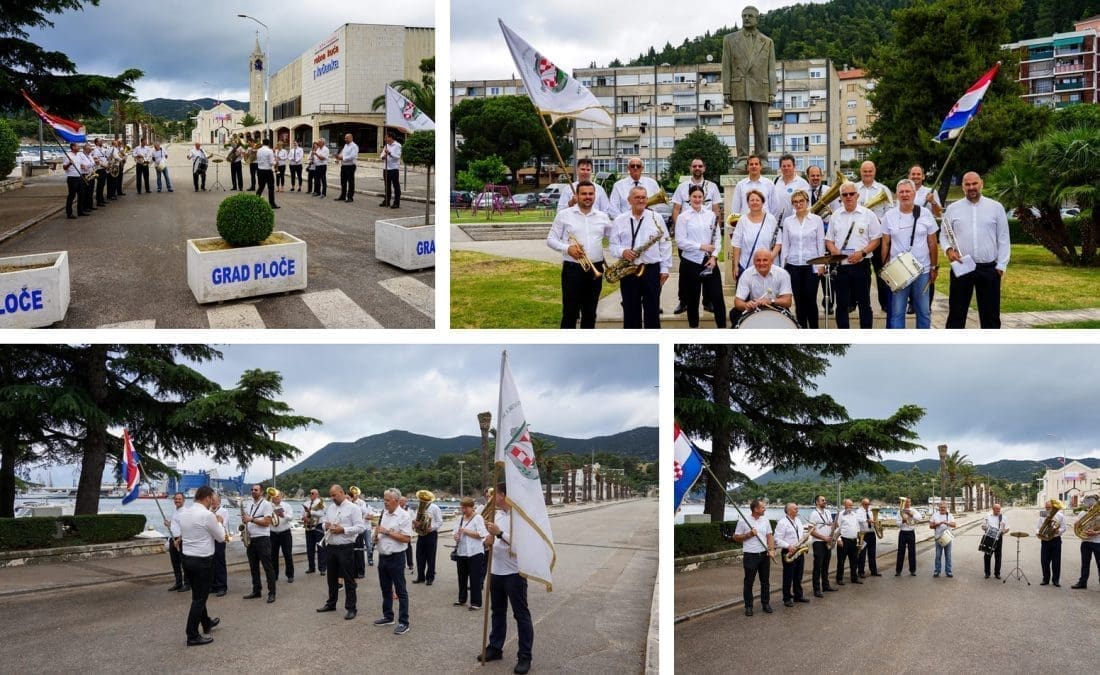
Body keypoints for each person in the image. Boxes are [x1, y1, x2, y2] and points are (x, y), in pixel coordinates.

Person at [941, 171, 1010, 329]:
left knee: (991, 316)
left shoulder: (996, 207)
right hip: (962, 266)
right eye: (967, 184)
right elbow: (944, 235)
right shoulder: (953, 209)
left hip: (989, 269)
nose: (971, 187)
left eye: (974, 184)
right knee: (956, 314)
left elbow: (1004, 238)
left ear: (981, 184)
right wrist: (949, 250)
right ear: (963, 187)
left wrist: (1001, 266)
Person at [482, 483, 534, 673]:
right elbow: (491, 538)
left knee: (521, 615)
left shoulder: (520, 517)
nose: (491, 497)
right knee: (497, 611)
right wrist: (488, 540)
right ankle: (495, 647)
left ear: (503, 495)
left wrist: (500, 533)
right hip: (496, 570)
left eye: (494, 494)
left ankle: (525, 656)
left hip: (514, 573)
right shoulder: (497, 515)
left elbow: (522, 545)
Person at [546, 181, 611, 329]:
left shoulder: (602, 217)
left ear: (595, 195)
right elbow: (550, 239)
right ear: (576, 195)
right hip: (573, 270)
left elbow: (615, 238)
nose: (587, 197)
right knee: (570, 313)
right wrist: (567, 248)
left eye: (590, 194)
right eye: (584, 194)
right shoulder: (564, 215)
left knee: (590, 313)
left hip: (596, 268)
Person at [608, 185, 672, 329]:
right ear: (629, 200)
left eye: (643, 197)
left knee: (653, 311)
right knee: (630, 312)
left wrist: (665, 268)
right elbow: (612, 245)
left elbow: (665, 244)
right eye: (637, 197)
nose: (641, 200)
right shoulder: (619, 220)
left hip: (651, 270)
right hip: (629, 270)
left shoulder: (656, 217)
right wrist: (623, 251)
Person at [721, 5, 776, 168]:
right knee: (740, 126)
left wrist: (772, 91)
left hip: (761, 87)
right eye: (744, 15)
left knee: (762, 126)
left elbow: (771, 68)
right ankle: (742, 158)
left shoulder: (767, 41)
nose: (746, 18)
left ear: (757, 19)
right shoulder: (730, 39)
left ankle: (762, 158)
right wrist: (726, 90)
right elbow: (726, 67)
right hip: (739, 86)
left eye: (750, 16)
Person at [881, 179, 939, 329]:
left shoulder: (925, 214)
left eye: (908, 191)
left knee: (924, 312)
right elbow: (886, 243)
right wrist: (886, 267)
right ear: (897, 195)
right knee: (897, 312)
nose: (905, 194)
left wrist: (934, 267)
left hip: (922, 270)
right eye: (901, 192)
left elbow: (932, 243)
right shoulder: (889, 216)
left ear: (914, 193)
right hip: (898, 271)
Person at [824, 182, 881, 329]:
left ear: (857, 195)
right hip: (841, 266)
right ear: (840, 198)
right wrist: (835, 251)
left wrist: (862, 253)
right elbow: (828, 240)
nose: (848, 197)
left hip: (861, 265)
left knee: (864, 303)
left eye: (851, 194)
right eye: (845, 194)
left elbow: (876, 239)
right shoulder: (835, 216)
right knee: (842, 304)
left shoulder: (868, 215)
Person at [671, 157, 722, 316]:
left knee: (708, 270)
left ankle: (708, 302)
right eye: (694, 166)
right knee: (685, 273)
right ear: (690, 168)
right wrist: (680, 227)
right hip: (688, 235)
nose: (697, 168)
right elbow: (676, 209)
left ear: (704, 168)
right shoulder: (682, 186)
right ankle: (684, 301)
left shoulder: (712, 186)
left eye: (700, 166)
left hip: (707, 236)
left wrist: (714, 235)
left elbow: (716, 210)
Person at [178, 486, 224, 646]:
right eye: (212, 498)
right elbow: (220, 538)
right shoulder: (207, 515)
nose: (213, 501)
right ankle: (192, 634)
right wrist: (220, 523)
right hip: (202, 561)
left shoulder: (185, 513)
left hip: (187, 558)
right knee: (199, 598)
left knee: (198, 594)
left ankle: (206, 622)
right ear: (207, 498)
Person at [675, 184, 726, 328]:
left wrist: (714, 256)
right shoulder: (683, 217)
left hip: (709, 261)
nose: (697, 199)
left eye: (700, 197)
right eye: (694, 197)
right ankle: (694, 329)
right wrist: (700, 246)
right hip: (690, 263)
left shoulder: (710, 215)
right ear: (689, 198)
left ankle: (723, 330)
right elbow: (680, 242)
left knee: (717, 298)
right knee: (693, 300)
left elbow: (717, 238)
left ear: (703, 198)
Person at [317, 484, 366, 620]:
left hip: (346, 547)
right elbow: (323, 523)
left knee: (348, 578)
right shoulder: (331, 507)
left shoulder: (353, 508)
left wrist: (343, 529)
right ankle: (331, 603)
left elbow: (361, 527)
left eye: (335, 495)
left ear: (342, 493)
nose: (332, 498)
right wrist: (325, 525)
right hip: (331, 545)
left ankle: (351, 608)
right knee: (331, 578)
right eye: (331, 495)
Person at [781, 189, 825, 328]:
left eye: (801, 201)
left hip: (812, 265)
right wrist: (783, 268)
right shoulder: (788, 221)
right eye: (795, 202)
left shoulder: (816, 220)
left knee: (811, 300)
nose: (798, 204)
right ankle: (801, 329)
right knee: (799, 301)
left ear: (807, 202)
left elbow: (820, 243)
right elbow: (786, 245)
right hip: (793, 265)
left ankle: (813, 330)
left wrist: (821, 264)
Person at [373, 487, 412, 635]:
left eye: (387, 500)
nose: (385, 502)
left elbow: (407, 538)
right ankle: (388, 616)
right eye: (384, 499)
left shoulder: (404, 516)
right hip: (383, 556)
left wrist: (387, 532)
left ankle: (404, 622)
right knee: (385, 589)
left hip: (396, 557)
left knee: (401, 591)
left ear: (396, 501)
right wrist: (376, 537)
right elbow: (381, 532)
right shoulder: (384, 514)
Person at [856, 161, 893, 313]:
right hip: (859, 237)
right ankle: (856, 302)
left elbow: (890, 212)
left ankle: (884, 302)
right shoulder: (854, 189)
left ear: (875, 171)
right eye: (865, 171)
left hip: (877, 236)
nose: (867, 173)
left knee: (881, 270)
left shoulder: (883, 190)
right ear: (860, 172)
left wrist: (878, 220)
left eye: (870, 171)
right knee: (860, 273)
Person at [729, 188, 780, 288]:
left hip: (768, 266)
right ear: (748, 204)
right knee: (746, 300)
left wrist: (770, 257)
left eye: (757, 200)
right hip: (746, 265)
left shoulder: (771, 219)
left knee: (767, 299)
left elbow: (778, 242)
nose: (755, 202)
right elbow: (736, 245)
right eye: (752, 200)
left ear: (763, 202)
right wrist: (735, 266)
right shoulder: (742, 220)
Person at [733, 498, 775, 616]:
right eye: (762, 507)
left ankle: (766, 604)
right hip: (750, 555)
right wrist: (749, 534)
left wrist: (771, 550)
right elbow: (736, 537)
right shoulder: (743, 520)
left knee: (765, 581)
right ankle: (749, 606)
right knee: (749, 582)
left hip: (764, 554)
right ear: (756, 509)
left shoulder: (765, 520)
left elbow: (770, 536)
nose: (764, 509)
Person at [731, 249, 793, 327]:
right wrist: (745, 305)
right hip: (755, 307)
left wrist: (770, 301)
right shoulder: (746, 274)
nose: (761, 263)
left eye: (765, 260)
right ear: (754, 262)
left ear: (771, 261)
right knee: (733, 313)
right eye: (758, 260)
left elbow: (787, 302)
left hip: (776, 306)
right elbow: (737, 301)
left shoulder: (782, 274)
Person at [241, 483, 277, 602]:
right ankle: (257, 590)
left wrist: (251, 519)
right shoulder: (249, 504)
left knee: (268, 567)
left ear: (261, 492)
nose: (253, 491)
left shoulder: (267, 505)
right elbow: (247, 519)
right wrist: (244, 523)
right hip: (251, 539)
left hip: (262, 539)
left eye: (256, 490)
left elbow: (267, 522)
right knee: (253, 567)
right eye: (252, 489)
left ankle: (272, 593)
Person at [453, 496, 489, 610]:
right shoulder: (460, 519)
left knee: (475, 578)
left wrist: (466, 531)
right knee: (462, 577)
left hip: (475, 552)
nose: (463, 510)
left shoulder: (478, 518)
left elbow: (481, 534)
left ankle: (476, 603)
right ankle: (462, 599)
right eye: (462, 508)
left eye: (465, 508)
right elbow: (454, 532)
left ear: (472, 508)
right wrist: (456, 536)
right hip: (462, 552)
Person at [773, 502, 810, 608]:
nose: (797, 510)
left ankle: (798, 595)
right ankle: (787, 598)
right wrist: (788, 546)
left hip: (799, 550)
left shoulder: (798, 521)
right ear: (789, 511)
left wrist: (804, 538)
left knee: (798, 575)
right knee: (788, 576)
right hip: (788, 551)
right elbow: (776, 539)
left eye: (797, 508)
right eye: (795, 509)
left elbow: (800, 534)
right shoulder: (782, 522)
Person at [808, 495, 837, 597]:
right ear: (817, 502)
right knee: (818, 566)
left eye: (825, 500)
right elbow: (810, 531)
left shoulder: (828, 512)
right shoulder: (814, 514)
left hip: (827, 542)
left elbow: (830, 525)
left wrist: (834, 526)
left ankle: (826, 585)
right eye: (822, 500)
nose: (825, 501)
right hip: (818, 542)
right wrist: (823, 538)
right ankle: (816, 589)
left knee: (826, 565)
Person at [413, 494, 443, 586]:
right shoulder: (419, 507)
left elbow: (440, 521)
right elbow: (415, 519)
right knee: (419, 556)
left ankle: (430, 577)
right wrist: (415, 523)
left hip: (431, 534)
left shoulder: (435, 508)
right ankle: (420, 577)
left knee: (430, 557)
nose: (422, 502)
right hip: (421, 534)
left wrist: (432, 528)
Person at [770, 154, 810, 223]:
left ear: (794, 167)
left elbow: (806, 205)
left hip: (794, 224)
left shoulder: (802, 183)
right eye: (784, 166)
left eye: (789, 166)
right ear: (780, 167)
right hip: (776, 224)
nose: (786, 168)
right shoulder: (776, 181)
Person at [1070, 501, 1100, 589]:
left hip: (1098, 542)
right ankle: (1083, 582)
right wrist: (1076, 525)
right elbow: (1078, 525)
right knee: (1085, 563)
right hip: (1085, 542)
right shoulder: (1083, 513)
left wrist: (1096, 532)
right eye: (1090, 504)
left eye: (1094, 505)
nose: (1091, 507)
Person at [1037, 499, 1066, 586]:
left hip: (1056, 540)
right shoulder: (1043, 514)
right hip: (1045, 540)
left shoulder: (1060, 515)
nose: (1047, 509)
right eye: (1046, 507)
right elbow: (1038, 527)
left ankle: (1055, 580)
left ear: (1053, 507)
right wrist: (1039, 532)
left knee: (1056, 561)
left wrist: (1057, 531)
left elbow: (1064, 528)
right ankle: (1045, 579)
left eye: (1049, 507)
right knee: (1044, 561)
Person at [834, 499, 862, 586]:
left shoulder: (855, 515)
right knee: (841, 561)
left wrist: (859, 539)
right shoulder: (840, 515)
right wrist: (838, 539)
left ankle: (854, 578)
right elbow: (836, 528)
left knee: (854, 561)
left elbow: (857, 527)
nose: (850, 507)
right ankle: (839, 578)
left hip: (853, 541)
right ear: (844, 505)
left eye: (851, 505)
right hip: (844, 540)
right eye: (849, 505)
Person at [268, 491, 294, 584]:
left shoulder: (286, 506)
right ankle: (274, 575)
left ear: (281, 497)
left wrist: (284, 515)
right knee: (273, 555)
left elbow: (291, 517)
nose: (276, 498)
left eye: (277, 496)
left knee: (287, 554)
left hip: (285, 533)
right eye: (274, 496)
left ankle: (290, 575)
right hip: (273, 533)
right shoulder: (269, 506)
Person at [165, 492, 188, 592]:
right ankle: (178, 583)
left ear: (183, 500)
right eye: (175, 499)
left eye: (179, 499)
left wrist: (179, 540)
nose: (177, 501)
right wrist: (168, 524)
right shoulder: (175, 511)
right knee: (175, 563)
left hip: (181, 540)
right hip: (172, 539)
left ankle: (187, 584)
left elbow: (186, 528)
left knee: (185, 563)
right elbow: (175, 526)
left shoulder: (185, 512)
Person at [348, 486, 373, 576]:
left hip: (360, 529)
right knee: (353, 551)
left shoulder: (362, 502)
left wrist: (354, 505)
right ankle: (354, 570)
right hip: (352, 530)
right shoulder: (349, 503)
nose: (354, 495)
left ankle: (361, 570)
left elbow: (364, 511)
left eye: (355, 494)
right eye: (352, 494)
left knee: (360, 550)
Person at [61, 142, 89, 219]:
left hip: (79, 176)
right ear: (73, 147)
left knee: (81, 194)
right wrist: (69, 164)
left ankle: (80, 211)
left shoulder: (78, 155)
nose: (79, 147)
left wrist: (83, 166)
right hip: (72, 178)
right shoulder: (68, 155)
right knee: (72, 195)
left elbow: (79, 164)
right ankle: (69, 213)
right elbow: (64, 167)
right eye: (77, 146)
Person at [982, 503, 1009, 580]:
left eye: (999, 509)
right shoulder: (988, 516)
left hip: (998, 537)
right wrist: (986, 529)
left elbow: (1007, 528)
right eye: (997, 509)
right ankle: (987, 573)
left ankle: (997, 573)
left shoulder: (1003, 517)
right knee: (987, 555)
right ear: (993, 509)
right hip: (989, 536)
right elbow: (983, 526)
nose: (999, 511)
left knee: (998, 556)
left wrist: (1002, 532)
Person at [304, 488, 328, 575]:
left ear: (317, 494)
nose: (311, 494)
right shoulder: (306, 503)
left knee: (321, 548)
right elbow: (302, 514)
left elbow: (322, 513)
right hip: (309, 527)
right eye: (310, 493)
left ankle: (322, 568)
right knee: (309, 548)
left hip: (318, 527)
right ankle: (311, 567)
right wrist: (303, 517)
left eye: (313, 493)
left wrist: (311, 511)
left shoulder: (321, 503)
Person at [930, 501, 957, 578]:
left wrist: (947, 523)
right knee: (938, 556)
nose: (942, 509)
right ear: (939, 507)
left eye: (944, 507)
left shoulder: (950, 515)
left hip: (947, 538)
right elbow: (931, 526)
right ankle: (937, 571)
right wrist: (937, 524)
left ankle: (948, 571)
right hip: (938, 538)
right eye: (941, 507)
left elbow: (954, 525)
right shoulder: (935, 515)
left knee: (948, 556)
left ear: (946, 508)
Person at [856, 498, 881, 578]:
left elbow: (875, 519)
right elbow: (858, 520)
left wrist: (877, 523)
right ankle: (861, 572)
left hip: (871, 533)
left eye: (868, 504)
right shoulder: (858, 511)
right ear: (862, 504)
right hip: (863, 534)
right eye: (866, 504)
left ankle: (874, 571)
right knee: (862, 554)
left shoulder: (871, 510)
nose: (867, 506)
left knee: (872, 553)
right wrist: (867, 520)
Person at [211, 493, 229, 597]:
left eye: (214, 500)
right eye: (211, 500)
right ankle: (213, 586)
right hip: (210, 540)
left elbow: (224, 524)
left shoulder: (224, 511)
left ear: (219, 501)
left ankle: (222, 586)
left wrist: (219, 521)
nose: (212, 502)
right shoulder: (208, 511)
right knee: (211, 563)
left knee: (220, 563)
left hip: (219, 540)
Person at [895, 497, 918, 577]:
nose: (908, 503)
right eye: (906, 502)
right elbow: (897, 524)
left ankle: (912, 570)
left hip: (911, 532)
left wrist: (911, 515)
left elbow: (919, 518)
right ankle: (898, 571)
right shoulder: (900, 511)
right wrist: (902, 521)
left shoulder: (913, 510)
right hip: (902, 533)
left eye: (909, 502)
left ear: (910, 503)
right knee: (900, 552)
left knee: (912, 552)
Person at [380, 131, 402, 208]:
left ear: (390, 137)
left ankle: (396, 202)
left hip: (393, 168)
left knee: (396, 186)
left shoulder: (397, 145)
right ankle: (386, 201)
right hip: (386, 168)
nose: (385, 139)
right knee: (387, 186)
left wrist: (389, 153)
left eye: (386, 137)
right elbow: (381, 155)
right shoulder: (386, 146)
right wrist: (383, 156)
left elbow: (397, 157)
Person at [255, 139, 278, 209]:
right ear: (269, 143)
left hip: (260, 170)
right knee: (271, 187)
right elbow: (271, 162)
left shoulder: (258, 150)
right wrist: (275, 161)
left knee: (261, 186)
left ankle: (255, 201)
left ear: (263, 143)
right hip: (267, 171)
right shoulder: (269, 151)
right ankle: (272, 204)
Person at [335, 133, 358, 203]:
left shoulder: (354, 146)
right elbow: (342, 153)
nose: (345, 139)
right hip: (344, 166)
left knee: (350, 182)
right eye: (345, 138)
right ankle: (343, 195)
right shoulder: (345, 145)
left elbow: (352, 156)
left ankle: (350, 197)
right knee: (343, 182)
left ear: (351, 138)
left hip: (350, 166)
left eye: (347, 138)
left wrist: (342, 158)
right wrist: (338, 159)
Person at [91, 138, 110, 206]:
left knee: (102, 184)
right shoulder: (95, 150)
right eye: (100, 141)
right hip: (99, 169)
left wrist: (107, 164)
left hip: (104, 168)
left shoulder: (103, 149)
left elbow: (105, 158)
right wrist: (104, 165)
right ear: (96, 143)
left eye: (101, 141)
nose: (101, 142)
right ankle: (99, 200)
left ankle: (101, 199)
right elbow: (96, 160)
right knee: (100, 185)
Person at [398, 495, 414, 572]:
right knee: (400, 547)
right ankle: (402, 563)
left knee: (408, 548)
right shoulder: (396, 509)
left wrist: (413, 526)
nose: (402, 502)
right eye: (400, 501)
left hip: (406, 531)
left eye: (403, 501)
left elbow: (413, 519)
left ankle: (410, 564)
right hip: (398, 531)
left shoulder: (409, 510)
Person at [79, 144, 97, 214]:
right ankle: (85, 207)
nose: (90, 150)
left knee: (91, 191)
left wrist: (93, 164)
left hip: (91, 173)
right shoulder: (81, 155)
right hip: (85, 175)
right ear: (85, 149)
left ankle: (90, 205)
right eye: (89, 149)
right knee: (86, 191)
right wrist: (92, 164)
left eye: (91, 149)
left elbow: (92, 163)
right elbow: (83, 165)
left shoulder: (90, 155)